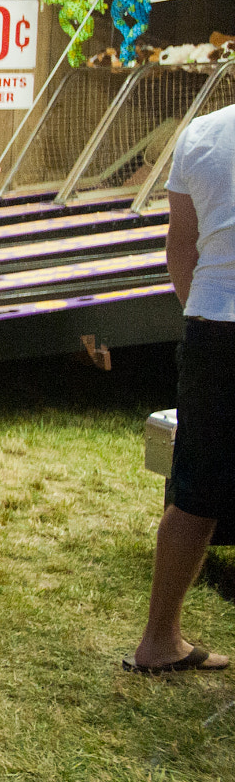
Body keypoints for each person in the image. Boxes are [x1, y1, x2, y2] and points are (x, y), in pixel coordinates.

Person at [127, 98, 235, 674]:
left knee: (193, 490)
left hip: (212, 327)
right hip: (211, 319)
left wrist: (203, 312)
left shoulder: (202, 132)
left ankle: (158, 640)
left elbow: (180, 246)